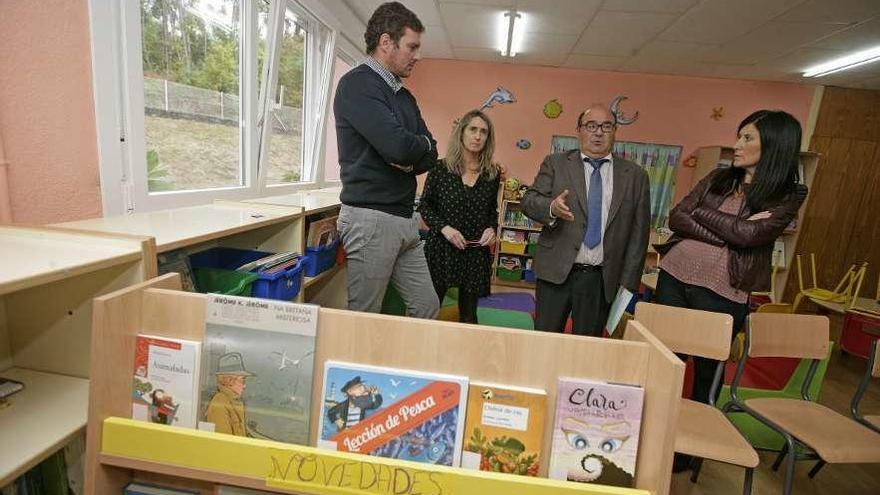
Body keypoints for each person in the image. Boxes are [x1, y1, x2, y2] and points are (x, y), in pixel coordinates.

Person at [655, 110, 807, 410]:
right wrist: (731, 233)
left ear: (774, 145)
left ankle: (691, 450)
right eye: (739, 136)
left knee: (707, 372)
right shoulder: (718, 177)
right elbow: (677, 217)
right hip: (673, 276)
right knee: (663, 363)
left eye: (747, 138)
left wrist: (701, 213)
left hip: (723, 292)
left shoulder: (789, 194)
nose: (737, 144)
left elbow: (751, 236)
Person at [334, 2, 439, 318]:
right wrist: (408, 151)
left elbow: (430, 153)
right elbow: (398, 149)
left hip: (405, 219)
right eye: (412, 46)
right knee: (365, 317)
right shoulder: (357, 85)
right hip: (371, 219)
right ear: (385, 42)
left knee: (427, 306)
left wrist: (412, 149)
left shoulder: (404, 97)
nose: (417, 56)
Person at [521, 104, 651, 336]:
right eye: (591, 126)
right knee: (544, 343)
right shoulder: (556, 163)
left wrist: (628, 285)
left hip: (601, 280)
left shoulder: (635, 176)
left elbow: (639, 235)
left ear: (615, 131)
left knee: (587, 350)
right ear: (579, 130)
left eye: (606, 126)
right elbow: (529, 201)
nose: (598, 132)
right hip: (556, 273)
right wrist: (551, 207)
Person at [419, 110, 500, 324]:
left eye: (483, 132)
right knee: (429, 312)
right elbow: (425, 206)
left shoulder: (492, 173)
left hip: (474, 253)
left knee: (469, 317)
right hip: (441, 251)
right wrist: (444, 228)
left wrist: (492, 228)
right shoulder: (440, 168)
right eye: (473, 129)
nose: (478, 136)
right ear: (461, 133)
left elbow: (492, 210)